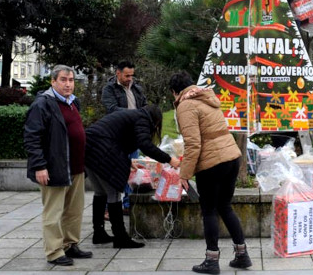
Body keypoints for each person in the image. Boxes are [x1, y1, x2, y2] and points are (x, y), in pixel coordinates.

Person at [170, 71, 252, 274]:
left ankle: (211, 260)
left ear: (175, 91)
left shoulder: (186, 105)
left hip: (212, 163)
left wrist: (184, 174)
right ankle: (242, 255)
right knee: (225, 206)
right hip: (232, 156)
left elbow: (193, 143)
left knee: (209, 211)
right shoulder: (206, 97)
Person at [84, 105, 180, 249]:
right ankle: (120, 237)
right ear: (155, 119)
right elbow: (145, 145)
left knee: (100, 192)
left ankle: (99, 233)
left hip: (88, 146)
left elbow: (116, 138)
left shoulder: (133, 116)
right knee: (114, 193)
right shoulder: (143, 119)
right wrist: (169, 159)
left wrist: (128, 162)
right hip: (102, 148)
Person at [23, 65, 92, 266]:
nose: (68, 84)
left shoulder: (73, 102)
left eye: (71, 80)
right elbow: (32, 137)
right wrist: (39, 166)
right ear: (53, 82)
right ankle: (54, 251)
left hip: (76, 168)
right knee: (53, 212)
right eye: (63, 80)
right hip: (54, 168)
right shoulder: (42, 104)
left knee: (74, 210)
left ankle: (70, 244)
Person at [101, 60, 148, 214]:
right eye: (126, 75)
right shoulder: (109, 89)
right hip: (116, 136)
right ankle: (108, 207)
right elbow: (112, 109)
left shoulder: (137, 89)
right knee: (114, 171)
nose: (129, 79)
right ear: (118, 73)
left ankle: (128, 205)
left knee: (133, 171)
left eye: (131, 76)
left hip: (133, 136)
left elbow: (145, 107)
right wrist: (135, 115)